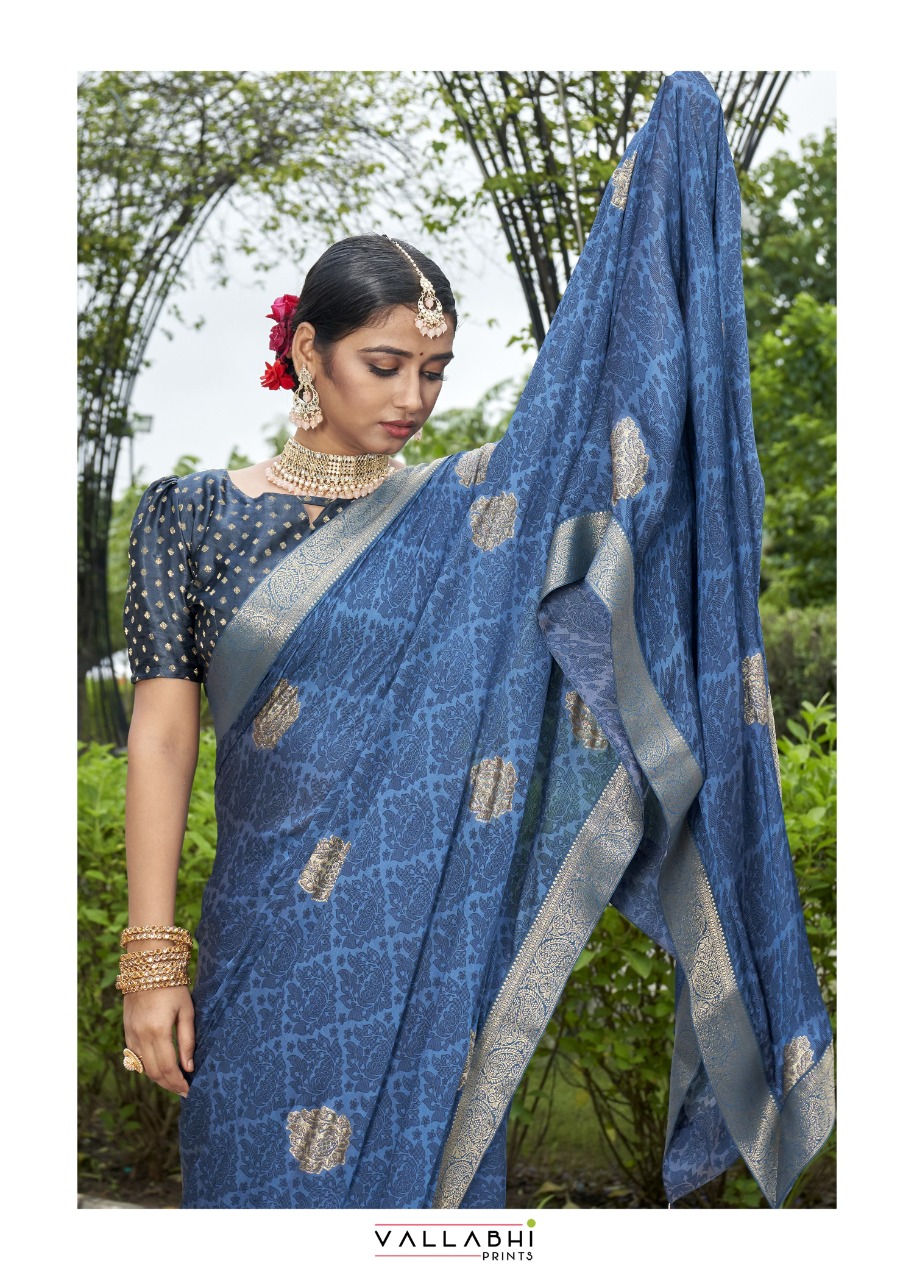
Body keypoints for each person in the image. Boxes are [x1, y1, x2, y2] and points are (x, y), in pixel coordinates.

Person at [119, 71, 835, 1210]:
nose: (413, 396)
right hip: (264, 940)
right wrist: (150, 958)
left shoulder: (469, 518)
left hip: (429, 950)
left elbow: (612, 453)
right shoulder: (189, 515)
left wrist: (673, 179)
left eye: (435, 371)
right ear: (305, 350)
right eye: (384, 365)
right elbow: (160, 738)